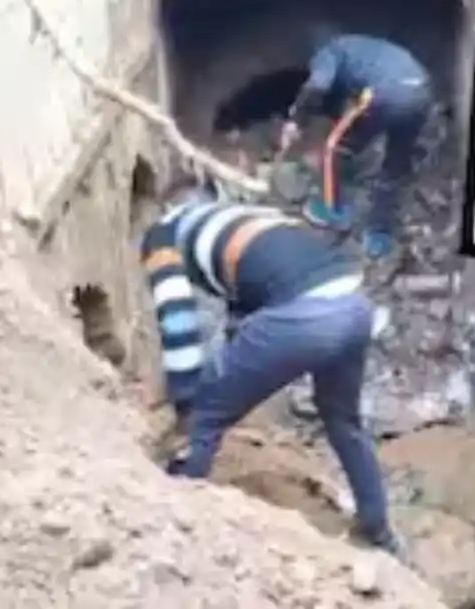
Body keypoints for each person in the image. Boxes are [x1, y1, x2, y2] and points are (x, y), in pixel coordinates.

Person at [140, 174, 407, 560]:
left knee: (206, 414)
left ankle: (177, 518)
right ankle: (379, 531)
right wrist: (233, 369)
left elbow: (176, 315)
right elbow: (250, 300)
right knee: (344, 422)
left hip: (304, 316)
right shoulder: (249, 217)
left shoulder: (163, 233)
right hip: (354, 306)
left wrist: (186, 399)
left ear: (172, 207)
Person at [279, 31, 434, 260]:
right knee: (395, 166)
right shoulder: (362, 51)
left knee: (335, 148)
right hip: (421, 93)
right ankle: (379, 235)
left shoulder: (328, 53)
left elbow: (318, 87)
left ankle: (329, 210)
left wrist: (296, 121)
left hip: (386, 94)